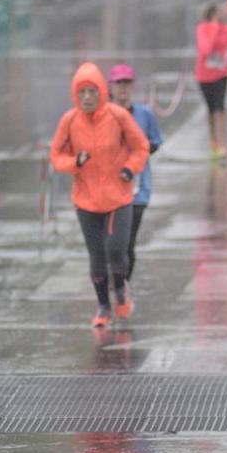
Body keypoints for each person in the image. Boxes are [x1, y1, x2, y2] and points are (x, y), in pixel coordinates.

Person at [50, 62, 150, 327]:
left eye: (92, 92)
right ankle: (103, 306)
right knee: (96, 256)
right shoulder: (69, 120)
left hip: (118, 196)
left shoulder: (118, 116)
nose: (87, 98)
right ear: (75, 95)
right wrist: (76, 163)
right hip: (86, 200)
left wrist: (130, 169)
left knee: (116, 250)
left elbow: (141, 146)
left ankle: (120, 290)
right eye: (81, 93)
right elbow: (56, 156)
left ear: (102, 92)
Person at [108, 63, 164, 284]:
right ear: (110, 86)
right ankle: (112, 282)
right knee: (110, 242)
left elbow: (155, 142)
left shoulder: (145, 115)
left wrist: (136, 156)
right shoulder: (104, 115)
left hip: (138, 190)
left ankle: (123, 286)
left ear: (133, 86)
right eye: (119, 83)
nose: (123, 88)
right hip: (108, 189)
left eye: (127, 83)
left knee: (127, 242)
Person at [194, 2, 227, 159]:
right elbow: (205, 49)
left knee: (220, 107)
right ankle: (213, 140)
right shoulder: (202, 29)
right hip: (204, 74)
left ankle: (222, 142)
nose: (219, 18)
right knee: (211, 109)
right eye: (216, 15)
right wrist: (214, 28)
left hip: (221, 73)